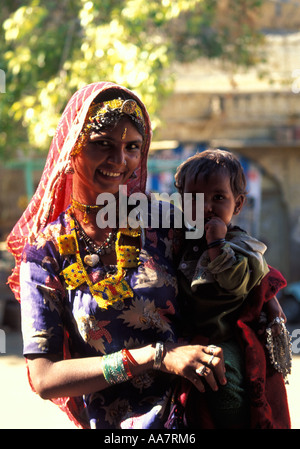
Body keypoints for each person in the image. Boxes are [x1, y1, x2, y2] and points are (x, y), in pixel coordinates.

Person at [6, 83, 227, 429]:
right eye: (102, 144)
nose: (119, 161)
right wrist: (154, 357)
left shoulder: (166, 224)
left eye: (132, 147)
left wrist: (267, 299)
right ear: (72, 149)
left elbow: (230, 275)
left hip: (193, 416)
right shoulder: (47, 252)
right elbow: (45, 377)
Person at [173, 149, 291, 428]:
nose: (206, 208)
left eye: (218, 198)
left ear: (237, 205)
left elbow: (236, 283)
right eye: (194, 199)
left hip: (230, 338)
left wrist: (217, 245)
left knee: (227, 386)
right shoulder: (182, 241)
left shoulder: (241, 245)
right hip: (193, 339)